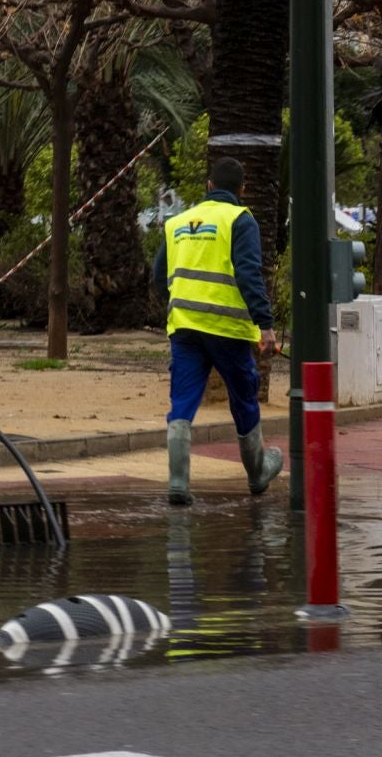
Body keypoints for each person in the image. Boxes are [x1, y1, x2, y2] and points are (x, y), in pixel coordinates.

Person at [148, 157, 285, 505]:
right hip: (228, 330)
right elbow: (249, 273)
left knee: (182, 402)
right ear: (243, 189)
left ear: (209, 186)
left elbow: (158, 276)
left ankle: (178, 482)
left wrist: (181, 301)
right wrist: (265, 325)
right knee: (243, 399)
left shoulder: (177, 222)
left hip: (185, 329)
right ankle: (256, 474)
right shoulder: (240, 219)